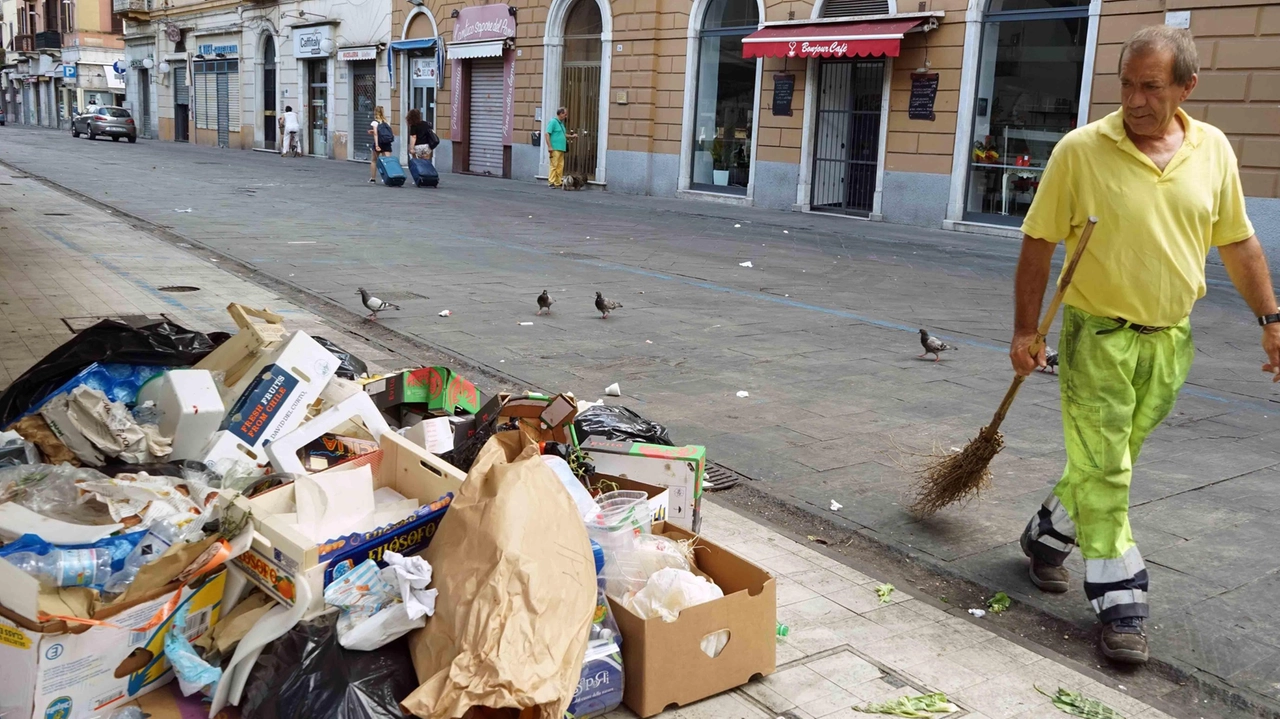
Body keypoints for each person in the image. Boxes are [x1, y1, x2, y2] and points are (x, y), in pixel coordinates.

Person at [1013, 25, 1279, 666]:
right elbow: (1037, 242)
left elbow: (1237, 241)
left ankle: (1047, 536)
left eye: (1150, 87)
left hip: (1170, 340)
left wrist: (1271, 317)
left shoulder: (1212, 149)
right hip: (1095, 335)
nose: (1134, 100)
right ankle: (1120, 602)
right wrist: (1027, 330)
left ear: (1186, 87)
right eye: (1127, 85)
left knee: (1113, 455)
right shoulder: (1081, 151)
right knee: (1107, 467)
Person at [545, 107, 576, 188]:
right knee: (554, 165)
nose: (566, 116)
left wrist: (571, 136)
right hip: (555, 148)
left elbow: (563, 135)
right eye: (565, 114)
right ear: (560, 114)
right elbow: (547, 134)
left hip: (561, 148)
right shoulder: (553, 122)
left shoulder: (561, 124)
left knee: (560, 166)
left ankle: (558, 182)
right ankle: (551, 182)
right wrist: (549, 146)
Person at [368, 105, 393, 183]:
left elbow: (376, 134)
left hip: (379, 142)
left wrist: (376, 145)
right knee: (387, 161)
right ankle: (389, 177)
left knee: (374, 160)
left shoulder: (375, 122)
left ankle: (373, 178)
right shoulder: (387, 122)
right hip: (387, 143)